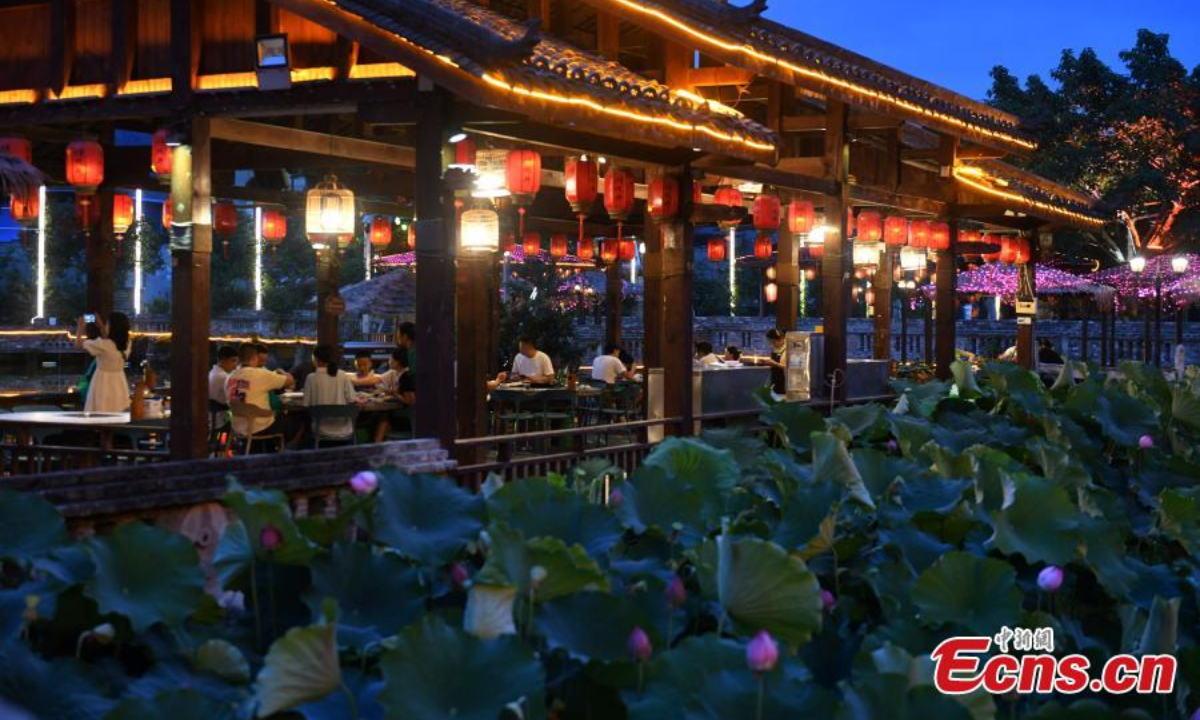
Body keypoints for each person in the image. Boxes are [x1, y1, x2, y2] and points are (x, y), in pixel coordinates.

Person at [226, 343, 294, 439]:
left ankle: (263, 447)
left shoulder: (229, 377)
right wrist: (282, 371)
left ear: (239, 359)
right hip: (259, 427)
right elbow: (290, 381)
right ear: (255, 358)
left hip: (237, 427)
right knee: (294, 421)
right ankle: (281, 448)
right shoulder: (260, 374)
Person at [75, 312, 131, 413]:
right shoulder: (128, 343)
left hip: (102, 381)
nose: (106, 325)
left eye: (107, 324)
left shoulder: (102, 344)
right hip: (119, 381)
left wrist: (80, 326)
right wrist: (101, 327)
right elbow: (112, 342)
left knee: (101, 408)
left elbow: (78, 345)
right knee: (117, 408)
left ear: (111, 327)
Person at [304, 344, 359, 443]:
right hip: (344, 430)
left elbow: (306, 404)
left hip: (320, 431)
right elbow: (352, 399)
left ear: (316, 359)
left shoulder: (311, 378)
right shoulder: (343, 375)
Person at [373, 348, 416, 442]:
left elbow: (411, 401)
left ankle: (378, 442)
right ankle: (385, 442)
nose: (389, 361)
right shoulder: (400, 373)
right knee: (382, 415)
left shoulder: (405, 377)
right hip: (406, 414)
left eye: (391, 359)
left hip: (407, 415)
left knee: (383, 415)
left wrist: (395, 394)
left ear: (397, 362)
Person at [760, 329, 787, 394]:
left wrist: (774, 363)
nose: (772, 344)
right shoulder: (774, 349)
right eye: (770, 342)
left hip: (784, 384)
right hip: (774, 383)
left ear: (781, 339)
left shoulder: (788, 350)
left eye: (774, 342)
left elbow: (789, 369)